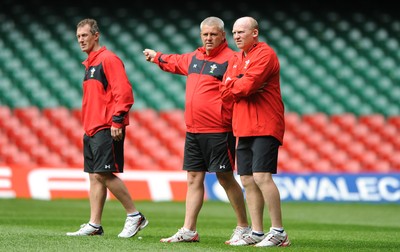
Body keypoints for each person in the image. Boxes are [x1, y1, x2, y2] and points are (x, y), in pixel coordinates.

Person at [143, 16, 250, 244]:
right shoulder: (195, 57)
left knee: (224, 177)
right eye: (205, 34)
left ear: (222, 35)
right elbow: (175, 61)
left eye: (213, 34)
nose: (209, 38)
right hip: (193, 129)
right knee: (193, 178)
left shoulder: (232, 59)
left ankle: (244, 227)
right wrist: (157, 57)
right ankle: (189, 229)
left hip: (219, 129)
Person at [66, 18, 148, 238]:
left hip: (106, 126)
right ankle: (95, 224)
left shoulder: (108, 59)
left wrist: (118, 120)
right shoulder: (91, 64)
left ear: (96, 35)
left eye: (84, 35)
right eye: (78, 37)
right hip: (92, 127)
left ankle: (134, 215)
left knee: (103, 173)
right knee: (94, 175)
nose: (81, 40)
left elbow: (124, 92)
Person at [220, 16, 291, 247]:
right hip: (243, 125)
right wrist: (239, 84)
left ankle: (278, 231)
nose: (237, 36)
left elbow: (246, 86)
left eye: (242, 31)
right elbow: (225, 90)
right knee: (248, 179)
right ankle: (258, 232)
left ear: (255, 33)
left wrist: (238, 84)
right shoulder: (236, 58)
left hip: (265, 123)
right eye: (234, 32)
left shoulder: (265, 54)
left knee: (262, 176)